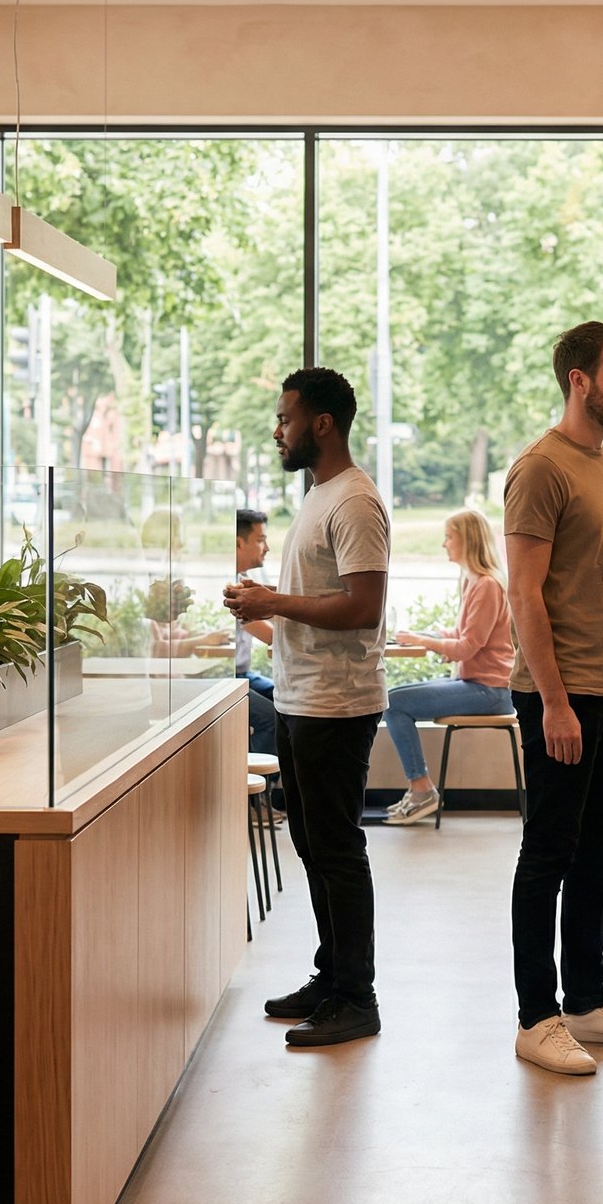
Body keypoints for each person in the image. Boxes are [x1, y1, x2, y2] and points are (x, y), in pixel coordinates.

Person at [224, 367, 390, 1047]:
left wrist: (270, 602)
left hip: (336, 703)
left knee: (337, 849)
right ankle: (332, 976)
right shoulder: (322, 495)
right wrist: (266, 604)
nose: (277, 429)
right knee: (312, 845)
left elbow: (362, 606)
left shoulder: (354, 502)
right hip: (302, 696)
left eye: (286, 417)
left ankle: (357, 996)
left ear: (321, 424)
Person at [506, 320, 603, 1076]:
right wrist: (553, 702)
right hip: (561, 693)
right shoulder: (540, 469)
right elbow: (526, 595)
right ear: (580, 381)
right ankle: (537, 1015)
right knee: (547, 852)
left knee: (601, 849)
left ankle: (586, 1000)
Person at [382, 508, 513, 826]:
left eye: (448, 537)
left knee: (393, 703)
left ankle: (422, 789)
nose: (444, 544)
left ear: (466, 541)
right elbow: (463, 636)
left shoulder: (486, 586)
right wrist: (425, 636)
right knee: (393, 700)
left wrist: (425, 642)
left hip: (490, 691)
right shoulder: (475, 583)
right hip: (480, 686)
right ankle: (420, 789)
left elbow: (468, 646)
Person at [234, 507, 277, 759]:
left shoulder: (243, 580)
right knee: (270, 718)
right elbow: (270, 636)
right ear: (240, 543)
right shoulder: (236, 588)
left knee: (283, 696)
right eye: (261, 540)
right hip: (229, 677)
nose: (267, 548)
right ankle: (257, 794)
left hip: (244, 674)